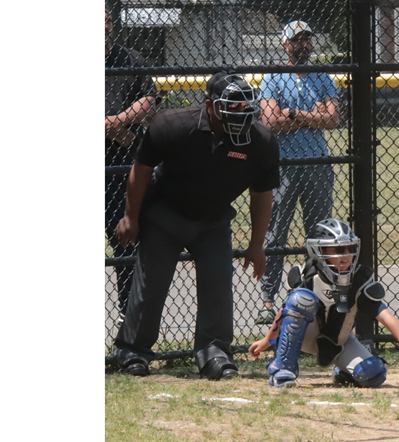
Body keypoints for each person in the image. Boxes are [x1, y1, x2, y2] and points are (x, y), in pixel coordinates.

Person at [114, 73, 280, 380]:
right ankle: (132, 352)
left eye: (245, 107)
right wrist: (131, 217)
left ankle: (214, 352)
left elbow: (261, 195)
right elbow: (140, 169)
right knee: (151, 285)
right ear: (209, 105)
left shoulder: (261, 141)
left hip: (214, 222)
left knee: (218, 283)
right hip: (165, 215)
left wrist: (257, 244)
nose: (240, 114)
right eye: (231, 107)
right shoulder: (173, 125)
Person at [249, 218, 399, 390]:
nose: (346, 255)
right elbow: (285, 310)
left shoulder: (359, 278)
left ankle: (343, 372)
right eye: (338, 250)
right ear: (319, 250)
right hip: (306, 334)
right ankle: (282, 369)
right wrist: (268, 340)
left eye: (349, 248)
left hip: (340, 341)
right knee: (300, 299)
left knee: (374, 373)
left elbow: (384, 315)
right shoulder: (306, 275)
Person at [255, 20, 341, 325]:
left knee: (318, 234)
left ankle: (314, 295)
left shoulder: (323, 77)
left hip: (317, 164)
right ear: (285, 44)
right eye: (297, 40)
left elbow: (332, 120)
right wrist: (312, 116)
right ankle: (268, 298)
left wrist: (293, 113)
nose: (303, 44)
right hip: (283, 166)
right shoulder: (273, 78)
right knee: (276, 233)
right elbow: (270, 123)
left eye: (307, 38)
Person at [104, 5, 158, 319]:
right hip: (119, 143)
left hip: (123, 170)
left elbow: (149, 98)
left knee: (125, 241)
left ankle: (129, 315)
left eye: (106, 22)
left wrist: (118, 121)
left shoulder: (129, 58)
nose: (103, 28)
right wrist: (114, 129)